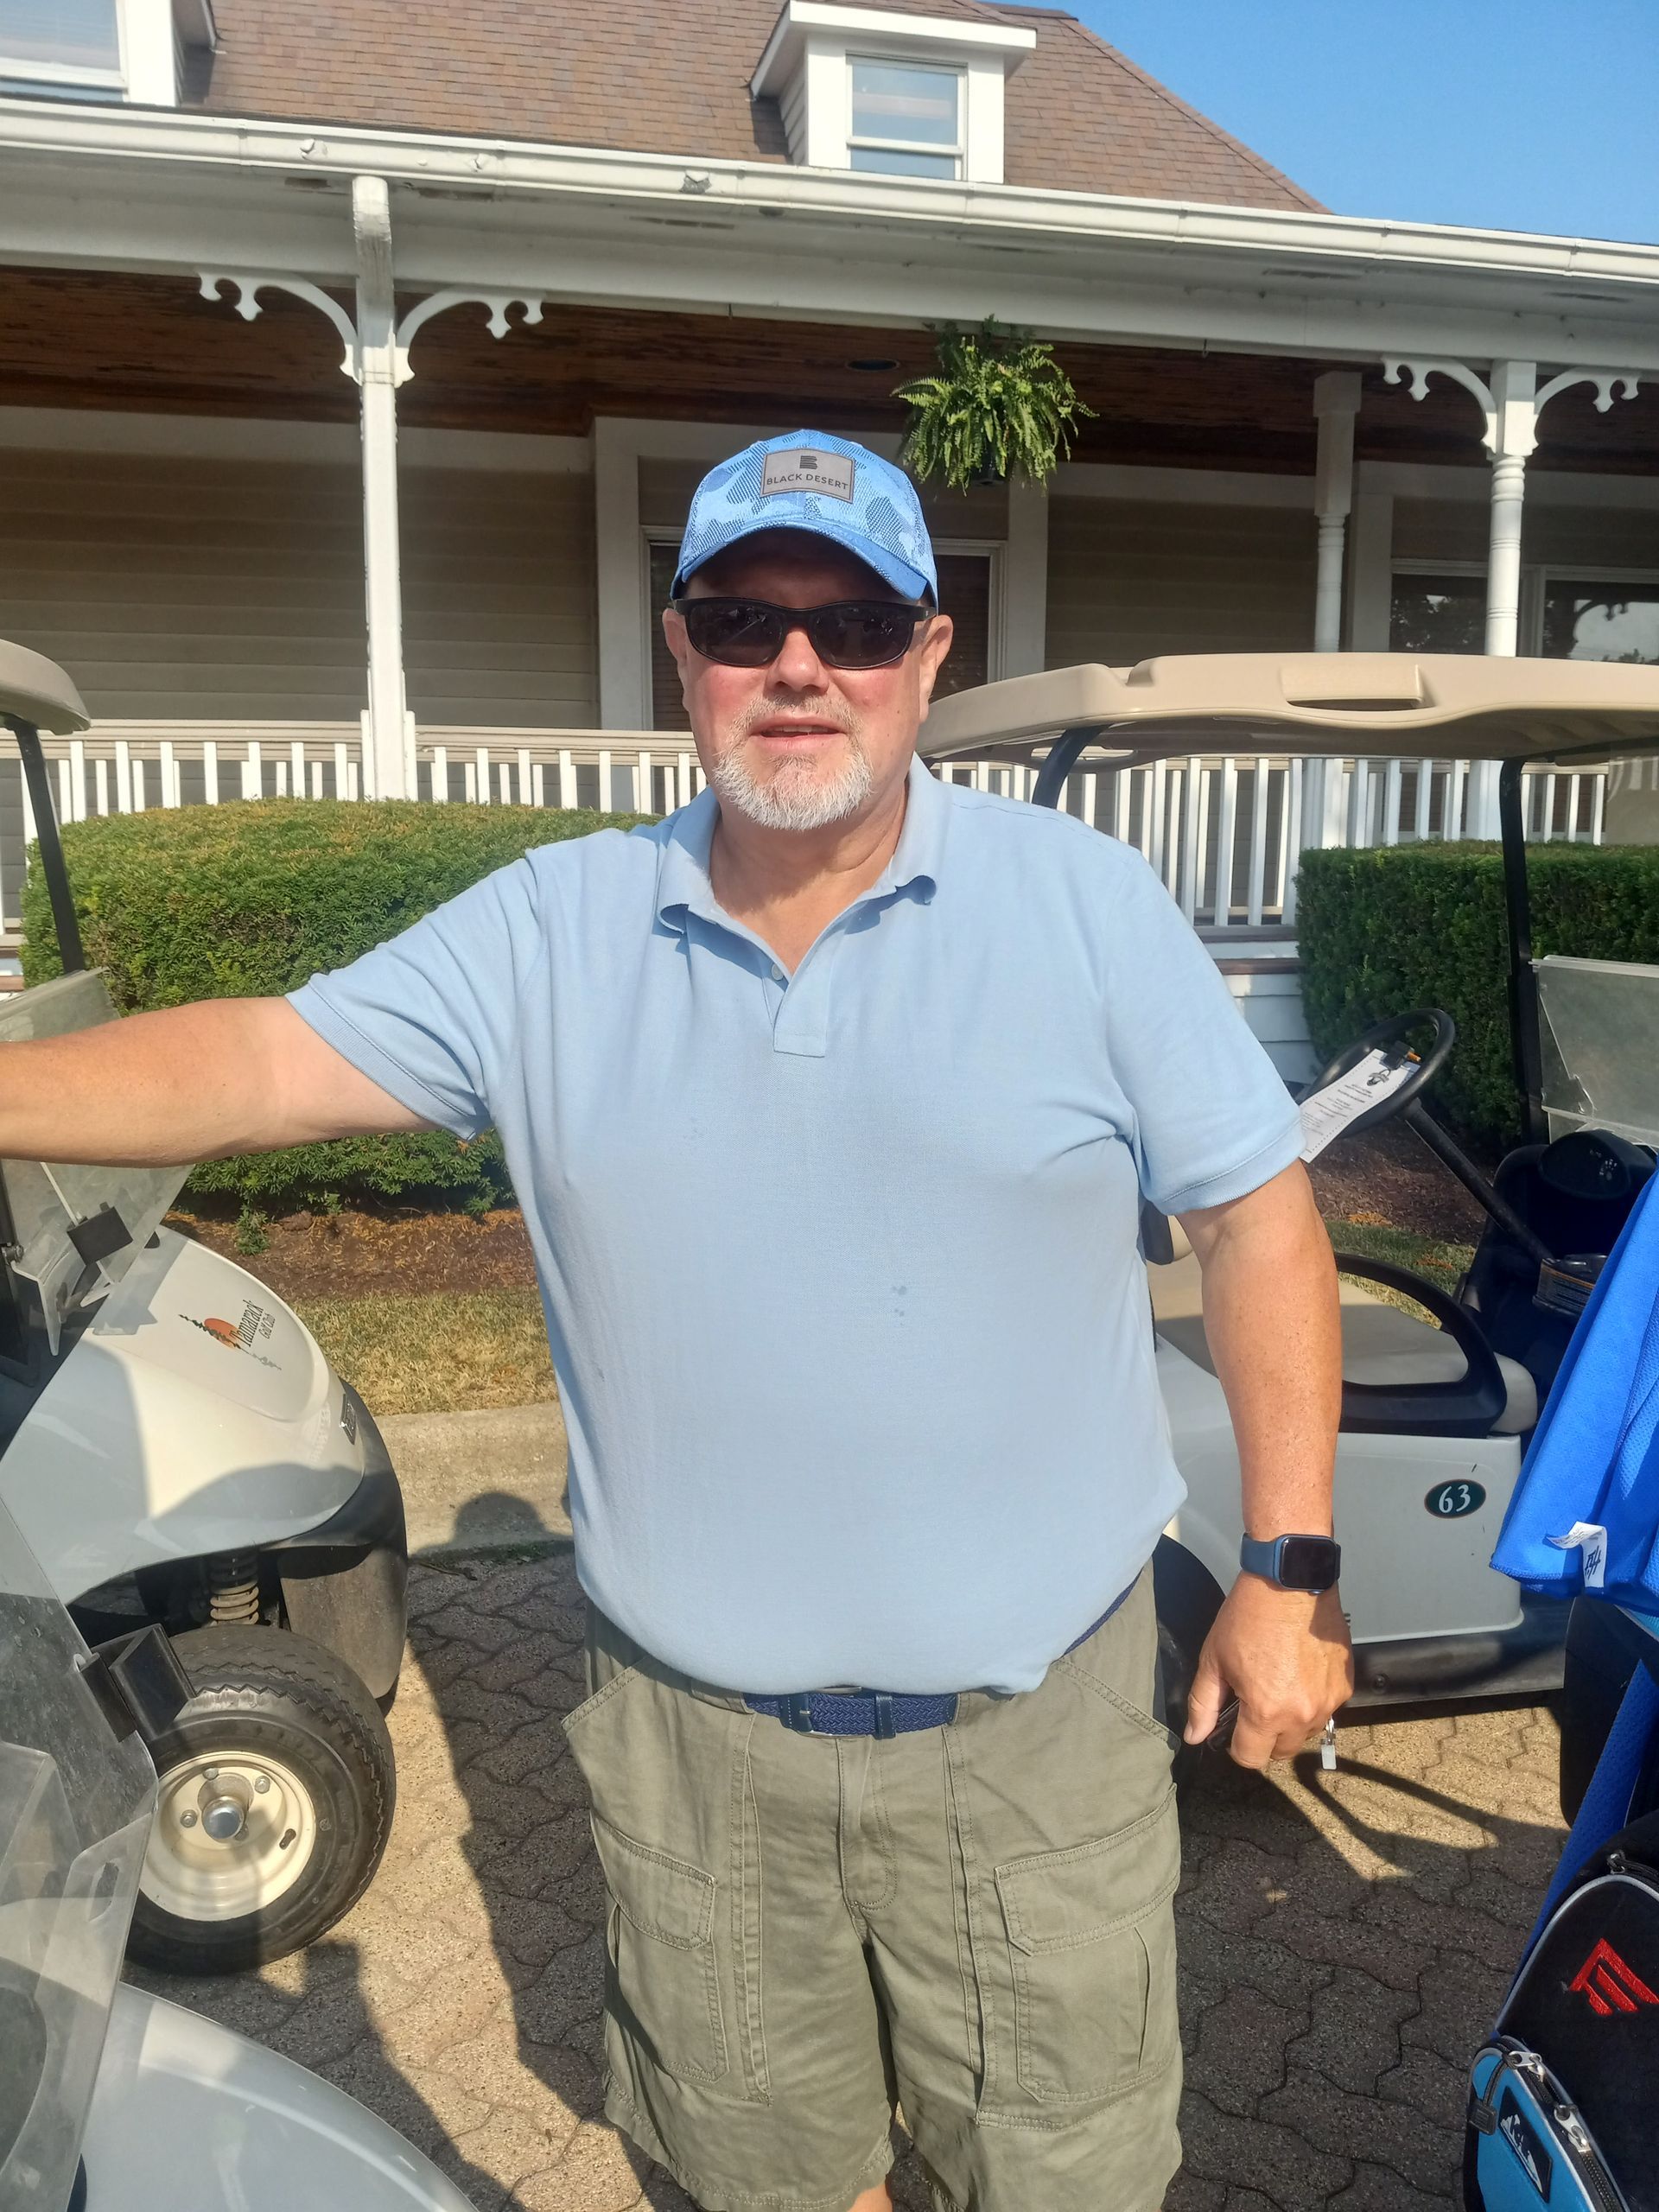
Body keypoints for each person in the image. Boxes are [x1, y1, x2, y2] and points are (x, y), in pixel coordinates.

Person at [9, 429, 1351, 2212]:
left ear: (927, 654)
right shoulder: (552, 931)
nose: (799, 663)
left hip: (1037, 1741)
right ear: (684, 651)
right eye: (744, 614)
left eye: (853, 620)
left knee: (1058, 2181)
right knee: (747, 2178)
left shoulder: (1085, 909)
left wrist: (1290, 1560)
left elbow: (1262, 1221)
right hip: (694, 1757)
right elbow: (258, 1053)